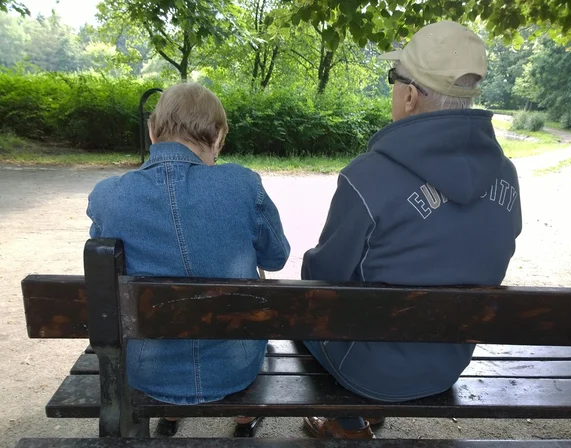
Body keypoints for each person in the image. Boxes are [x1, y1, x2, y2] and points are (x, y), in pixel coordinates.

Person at [301, 21, 522, 439]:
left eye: (393, 78)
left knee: (299, 316)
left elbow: (322, 281)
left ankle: (349, 422)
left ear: (409, 94)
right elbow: (499, 254)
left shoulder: (365, 177)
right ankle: (369, 410)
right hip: (447, 363)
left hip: (369, 370)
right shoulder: (506, 175)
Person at [86, 82, 290, 436]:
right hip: (235, 365)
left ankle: (171, 413)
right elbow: (276, 259)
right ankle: (243, 418)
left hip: (147, 370)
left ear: (152, 131)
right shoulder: (243, 185)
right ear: (220, 136)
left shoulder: (108, 196)